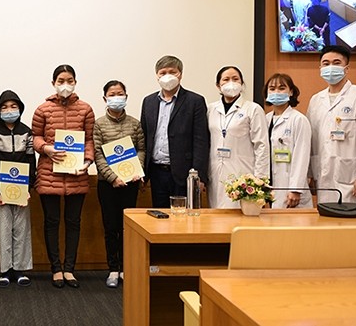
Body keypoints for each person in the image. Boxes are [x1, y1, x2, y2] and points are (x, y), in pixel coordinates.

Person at [32, 64, 95, 289]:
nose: (65, 85)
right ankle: (56, 269)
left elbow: (90, 139)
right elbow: (35, 137)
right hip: (50, 173)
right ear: (53, 83)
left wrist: (87, 162)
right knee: (51, 222)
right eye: (61, 80)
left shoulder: (86, 109)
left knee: (73, 222)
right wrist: (47, 149)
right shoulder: (43, 109)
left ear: (75, 82)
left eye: (69, 80)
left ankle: (70, 269)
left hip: (77, 175)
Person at [307, 45, 356, 207]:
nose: (330, 67)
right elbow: (312, 141)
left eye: (336, 62)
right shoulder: (316, 100)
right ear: (320, 68)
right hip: (324, 178)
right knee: (327, 225)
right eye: (326, 63)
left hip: (353, 178)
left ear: (346, 68)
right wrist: (310, 173)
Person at [0, 90, 36, 288]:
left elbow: (31, 160)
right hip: (0, 192)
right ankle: (5, 271)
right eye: (5, 107)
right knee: (4, 229)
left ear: (20, 108)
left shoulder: (27, 131)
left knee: (21, 229)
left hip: (22, 192)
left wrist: (28, 188)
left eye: (13, 106)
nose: (9, 110)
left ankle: (20, 270)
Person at [93, 80, 145, 288]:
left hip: (131, 183)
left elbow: (142, 149)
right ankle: (113, 269)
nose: (117, 97)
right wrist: (112, 177)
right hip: (108, 184)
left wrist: (136, 170)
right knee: (110, 227)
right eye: (112, 94)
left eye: (120, 93)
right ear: (105, 98)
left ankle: (126, 268)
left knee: (127, 228)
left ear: (126, 96)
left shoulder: (134, 123)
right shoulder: (99, 124)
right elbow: (98, 153)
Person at [140, 55, 209, 209]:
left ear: (181, 74)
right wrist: (143, 171)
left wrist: (199, 176)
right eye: (163, 72)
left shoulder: (195, 101)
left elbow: (201, 141)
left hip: (185, 174)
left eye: (172, 72)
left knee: (184, 220)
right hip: (157, 172)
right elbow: (144, 137)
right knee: (160, 219)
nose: (167, 76)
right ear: (157, 76)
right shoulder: (148, 102)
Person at [207, 66, 269, 208]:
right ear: (218, 85)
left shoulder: (253, 109)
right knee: (215, 217)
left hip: (243, 174)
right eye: (226, 79)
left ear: (242, 84)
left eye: (235, 79)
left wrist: (260, 180)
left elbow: (262, 146)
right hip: (216, 173)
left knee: (239, 215)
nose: (231, 83)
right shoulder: (211, 109)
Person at [264, 73, 312, 208]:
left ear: (291, 92)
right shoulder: (266, 119)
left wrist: (295, 189)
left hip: (291, 188)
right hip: (272, 186)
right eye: (272, 89)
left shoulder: (299, 120)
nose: (276, 92)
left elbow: (301, 156)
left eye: (281, 88)